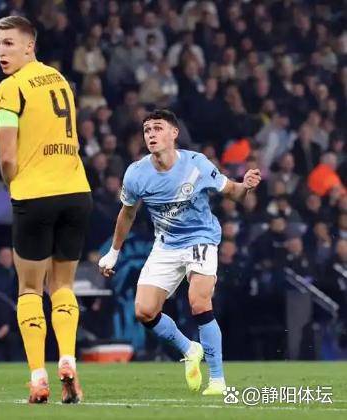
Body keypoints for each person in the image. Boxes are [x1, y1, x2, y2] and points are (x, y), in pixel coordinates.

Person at [98, 109, 262, 396]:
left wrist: (245, 186)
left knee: (199, 302)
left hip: (201, 238)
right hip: (166, 245)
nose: (151, 134)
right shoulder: (136, 173)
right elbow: (127, 213)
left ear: (173, 133)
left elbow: (232, 192)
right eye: (147, 130)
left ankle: (217, 380)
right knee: (144, 311)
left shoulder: (197, 164)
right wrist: (114, 252)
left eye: (158, 128)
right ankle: (189, 348)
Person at [0, 16, 92, 404]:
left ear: (29, 45)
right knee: (63, 286)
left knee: (30, 289)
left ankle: (38, 378)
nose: (1, 51)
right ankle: (68, 360)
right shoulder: (59, 80)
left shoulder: (10, 87)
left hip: (35, 194)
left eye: (9, 43)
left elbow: (6, 155)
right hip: (76, 191)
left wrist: (11, 183)